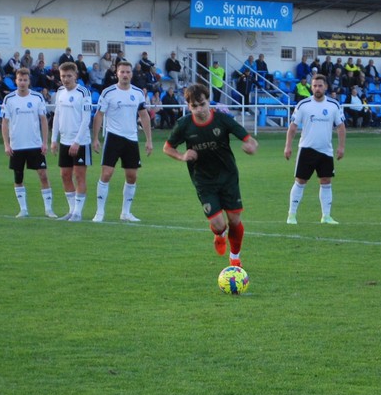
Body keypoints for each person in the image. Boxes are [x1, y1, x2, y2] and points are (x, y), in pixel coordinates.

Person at [163, 83, 258, 268]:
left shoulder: (223, 120)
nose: (199, 109)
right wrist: (182, 156)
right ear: (188, 106)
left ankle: (235, 257)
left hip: (228, 177)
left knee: (235, 220)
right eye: (194, 106)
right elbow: (167, 147)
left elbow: (250, 140)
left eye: (202, 104)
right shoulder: (184, 125)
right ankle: (219, 234)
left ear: (209, 101)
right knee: (219, 224)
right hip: (203, 180)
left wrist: (251, 146)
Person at [90, 60, 153, 222]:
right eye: (122, 72)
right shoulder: (108, 92)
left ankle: (126, 213)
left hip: (131, 139)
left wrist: (148, 140)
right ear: (117, 73)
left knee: (132, 176)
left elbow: (144, 115)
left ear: (131, 74)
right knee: (106, 174)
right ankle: (100, 212)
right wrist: (95, 138)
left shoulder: (138, 93)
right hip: (113, 137)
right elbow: (99, 115)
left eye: (128, 72)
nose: (125, 75)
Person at [284, 74, 346, 225]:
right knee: (300, 181)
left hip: (326, 151)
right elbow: (292, 128)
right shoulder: (303, 105)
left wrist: (341, 147)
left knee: (326, 181)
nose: (317, 88)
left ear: (325, 87)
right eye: (314, 86)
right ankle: (291, 215)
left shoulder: (334, 105)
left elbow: (341, 127)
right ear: (311, 87)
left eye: (320, 85)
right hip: (307, 149)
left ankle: (326, 216)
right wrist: (288, 146)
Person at [1, 68, 56, 218]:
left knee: (43, 175)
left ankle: (49, 209)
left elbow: (44, 121)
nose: (22, 83)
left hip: (35, 145)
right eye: (20, 80)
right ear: (16, 81)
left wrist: (45, 142)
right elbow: (4, 123)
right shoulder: (9, 99)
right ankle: (23, 209)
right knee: (18, 177)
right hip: (17, 145)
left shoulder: (37, 98)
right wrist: (6, 144)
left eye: (25, 80)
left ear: (29, 81)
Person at [50, 61, 92, 221]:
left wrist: (77, 142)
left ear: (75, 76)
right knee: (64, 175)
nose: (66, 79)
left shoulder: (83, 93)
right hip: (64, 141)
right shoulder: (60, 92)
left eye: (69, 76)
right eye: (63, 76)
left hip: (80, 142)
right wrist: (54, 139)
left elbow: (86, 118)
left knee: (79, 176)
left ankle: (78, 213)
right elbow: (57, 116)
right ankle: (71, 210)